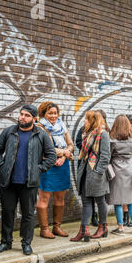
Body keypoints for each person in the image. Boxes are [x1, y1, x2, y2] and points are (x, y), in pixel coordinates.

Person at [0, 105, 56, 255]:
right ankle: (5, 242)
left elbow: (51, 156)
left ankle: (26, 243)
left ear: (34, 119)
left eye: (26, 115)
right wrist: (3, 166)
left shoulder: (41, 135)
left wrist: (38, 169)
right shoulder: (9, 132)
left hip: (29, 183)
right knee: (7, 212)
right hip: (9, 182)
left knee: (27, 215)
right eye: (21, 114)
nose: (22, 117)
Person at [35, 102, 74, 239]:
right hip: (47, 165)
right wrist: (64, 153)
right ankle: (44, 229)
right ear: (44, 114)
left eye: (55, 113)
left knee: (60, 197)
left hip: (61, 165)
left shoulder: (61, 125)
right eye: (50, 113)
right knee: (44, 198)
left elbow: (71, 144)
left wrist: (64, 155)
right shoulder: (40, 127)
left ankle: (57, 227)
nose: (53, 116)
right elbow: (47, 149)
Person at [72, 111, 110, 242]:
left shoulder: (103, 135)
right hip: (84, 172)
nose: (84, 121)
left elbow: (105, 156)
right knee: (86, 201)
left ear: (92, 121)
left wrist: (98, 172)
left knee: (100, 201)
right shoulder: (86, 134)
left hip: (96, 174)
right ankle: (84, 230)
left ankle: (103, 227)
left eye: (86, 119)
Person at [107, 115, 132, 236]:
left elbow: (108, 155)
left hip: (116, 170)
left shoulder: (111, 139)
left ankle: (121, 228)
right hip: (129, 168)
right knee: (130, 199)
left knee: (118, 200)